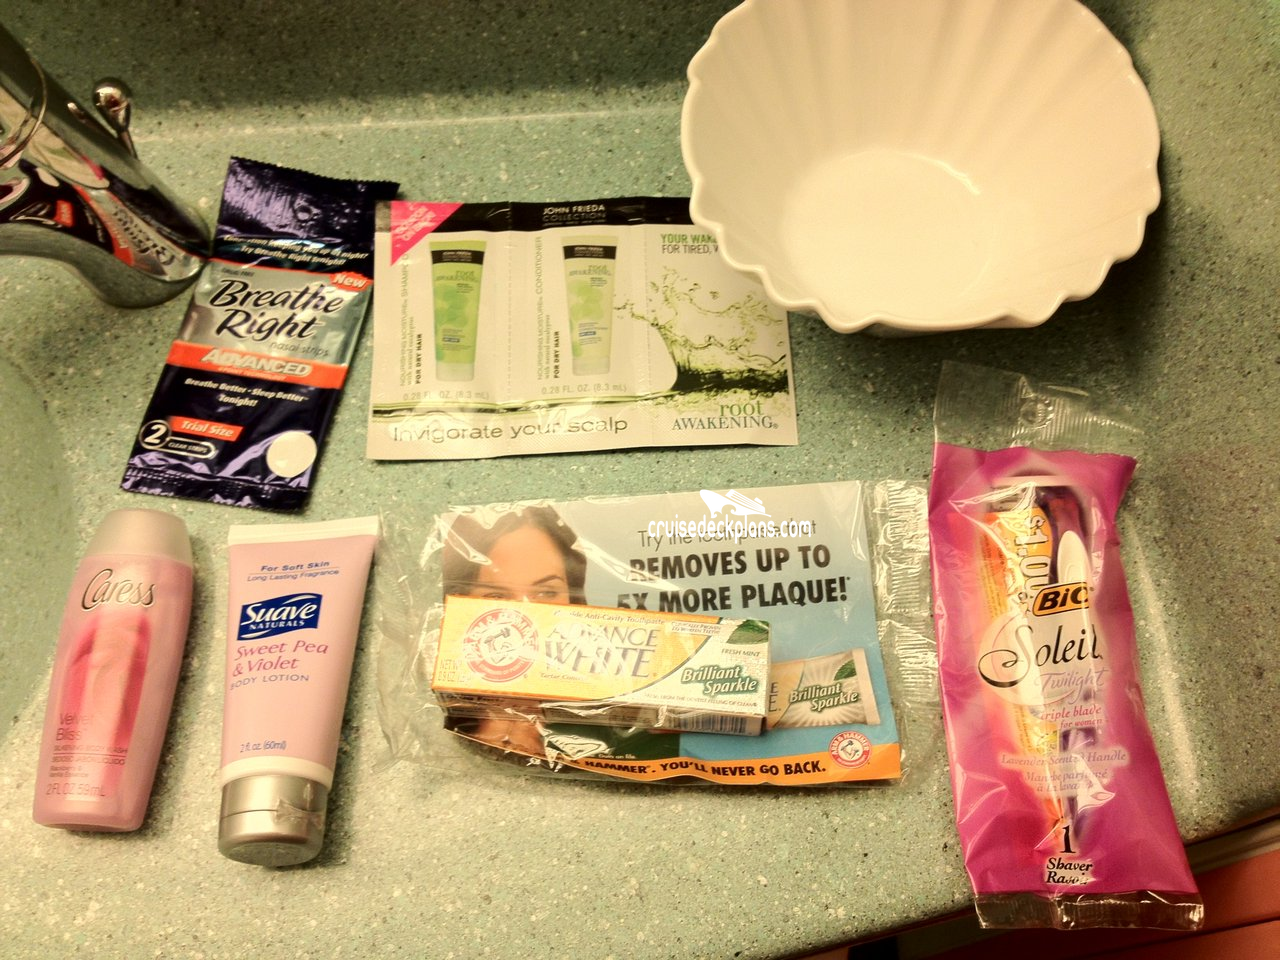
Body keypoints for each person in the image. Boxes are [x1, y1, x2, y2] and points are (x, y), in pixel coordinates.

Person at [440, 505, 587, 758]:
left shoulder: (607, 710)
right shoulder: (442, 709)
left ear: (573, 598)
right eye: (496, 596)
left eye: (547, 593)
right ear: (458, 602)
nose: (525, 616)